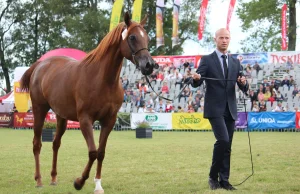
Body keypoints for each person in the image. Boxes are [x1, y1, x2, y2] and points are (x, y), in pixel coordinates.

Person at [191, 28, 248, 191]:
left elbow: (243, 87)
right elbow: (197, 82)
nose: (224, 40)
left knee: (227, 145)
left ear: (230, 40)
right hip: (214, 108)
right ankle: (212, 176)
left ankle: (224, 180)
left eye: (227, 38)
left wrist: (243, 83)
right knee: (222, 140)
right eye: (221, 37)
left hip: (230, 108)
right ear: (215, 39)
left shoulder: (236, 62)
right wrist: (195, 79)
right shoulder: (207, 60)